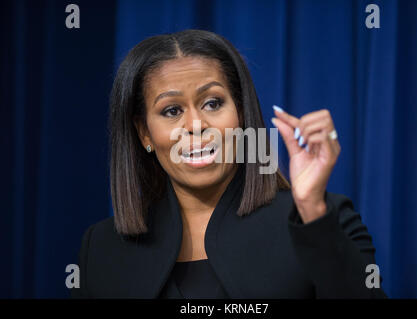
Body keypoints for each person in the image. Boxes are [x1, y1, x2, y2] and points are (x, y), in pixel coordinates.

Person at [72, 29, 387, 299]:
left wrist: (312, 212)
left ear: (241, 115)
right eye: (171, 111)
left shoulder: (322, 220)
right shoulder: (100, 249)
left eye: (213, 103)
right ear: (145, 134)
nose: (196, 124)